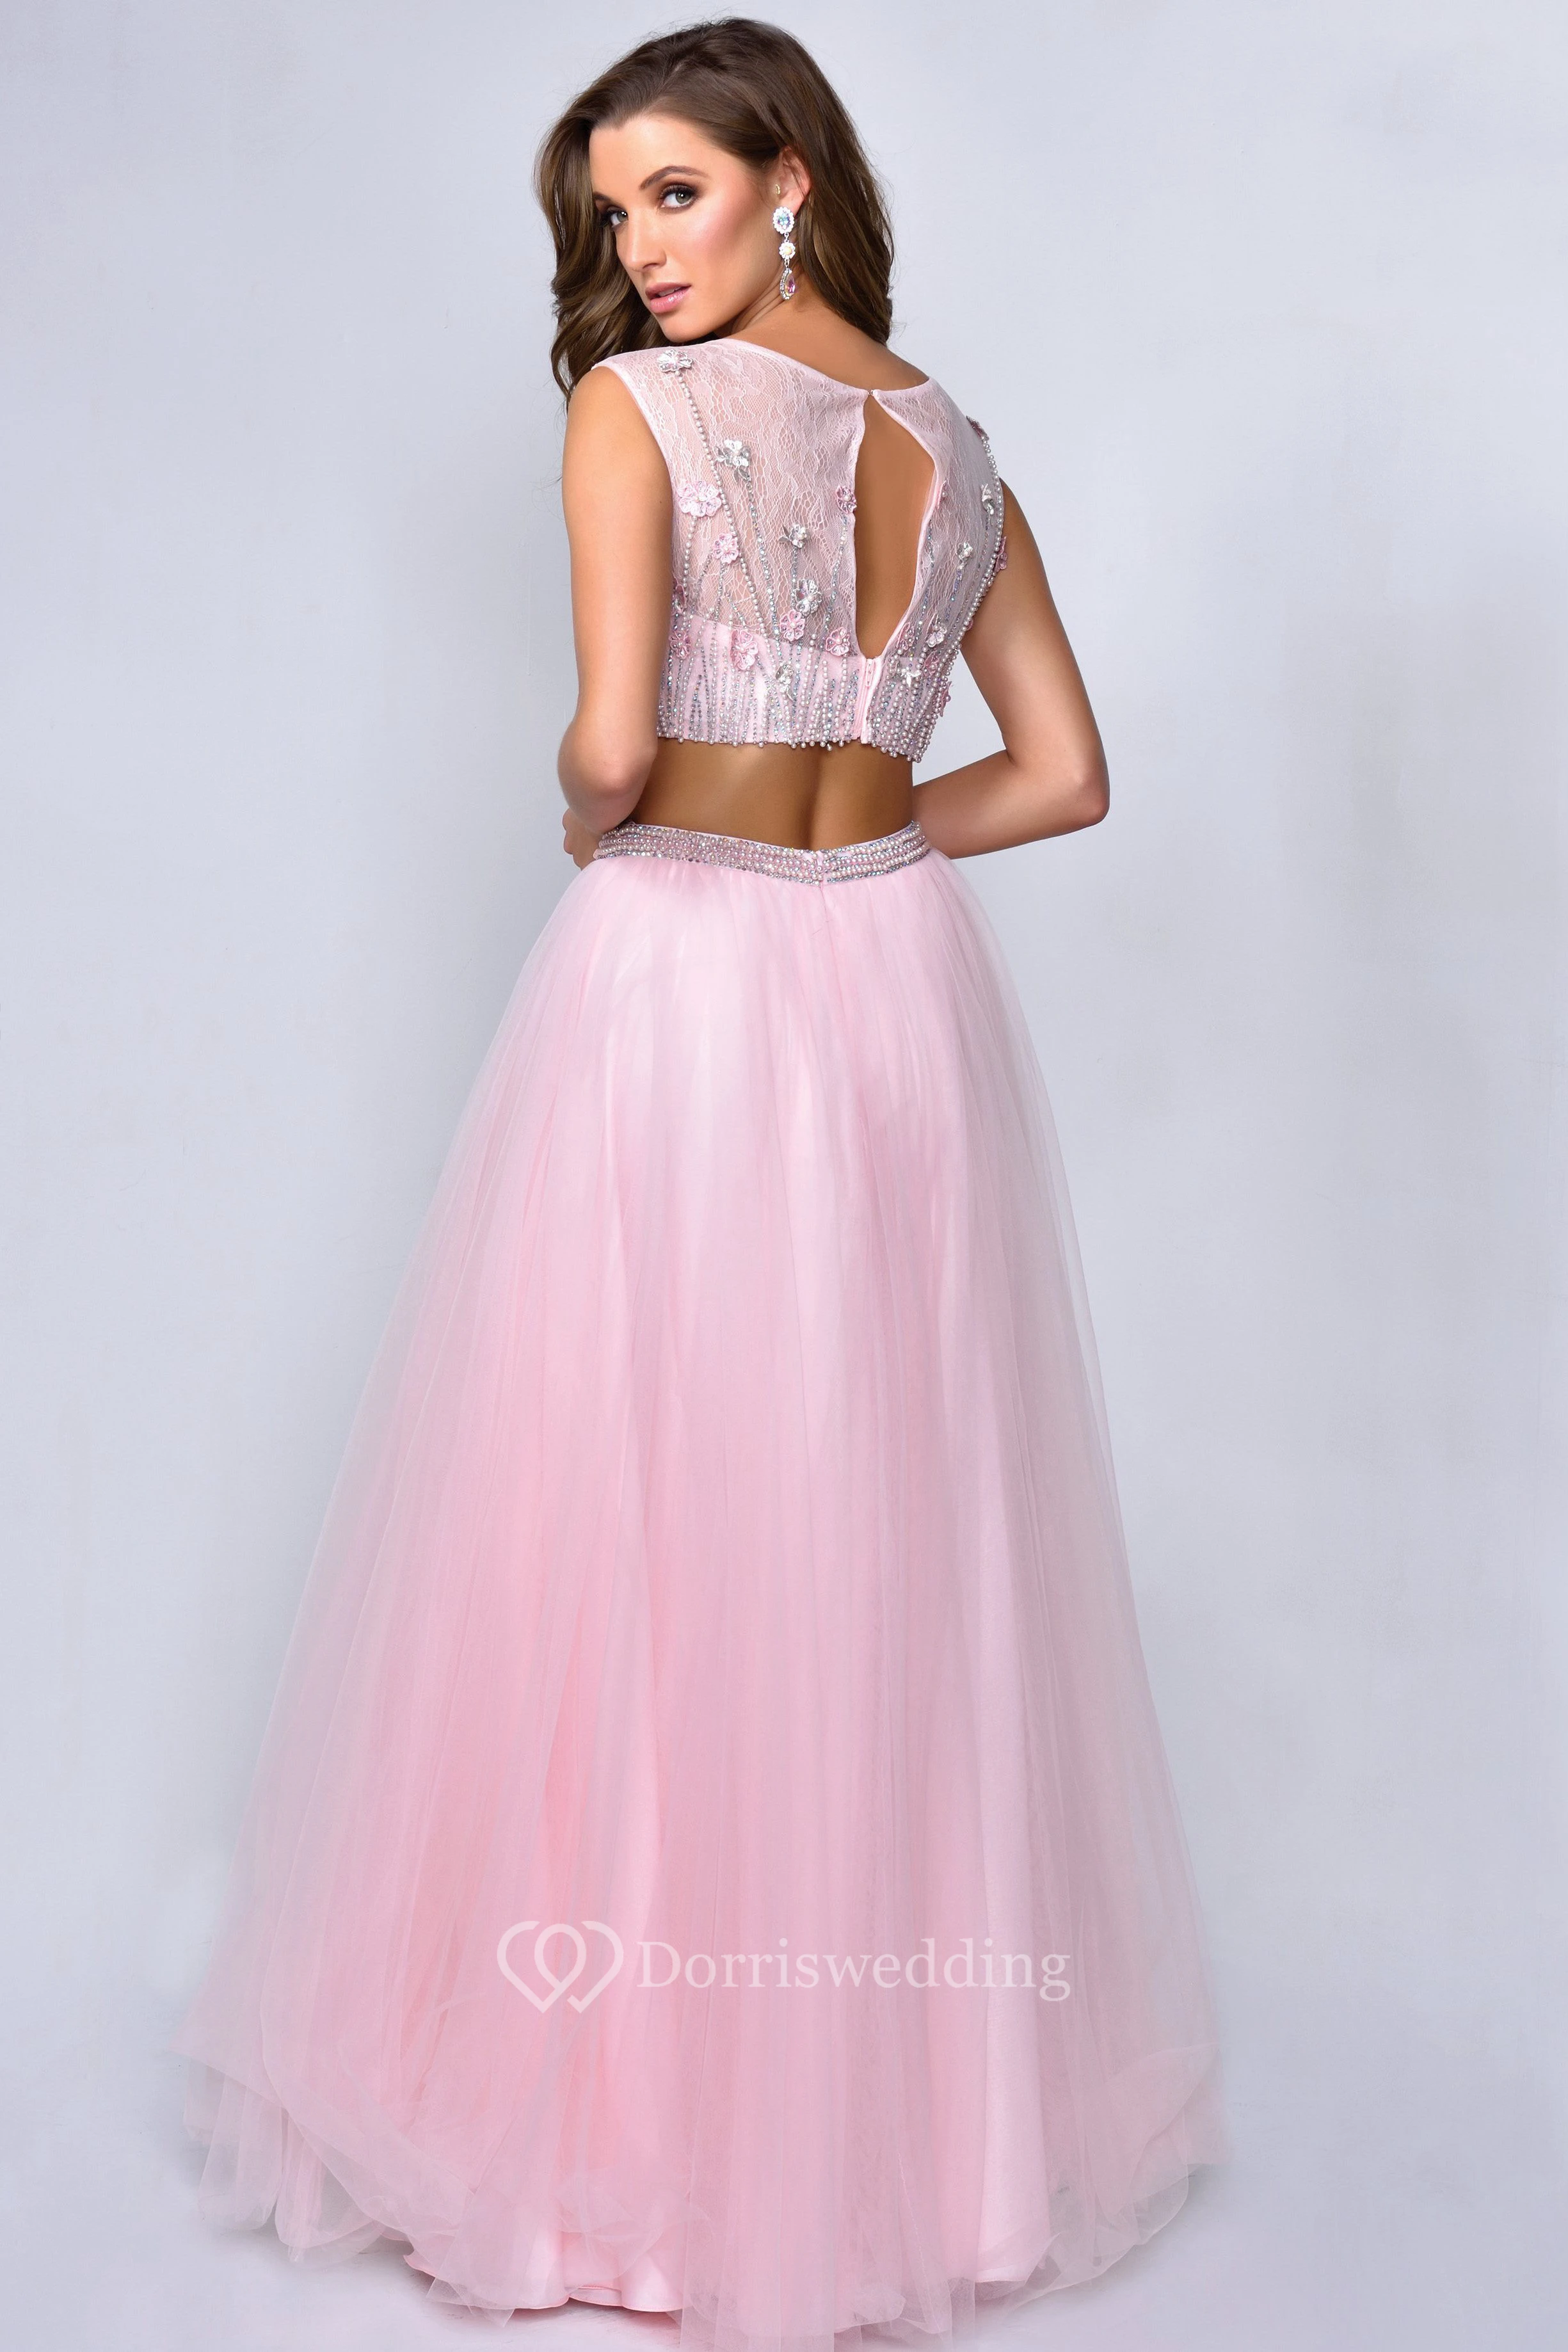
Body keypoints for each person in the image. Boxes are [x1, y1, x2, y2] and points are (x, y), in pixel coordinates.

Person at [170, 20, 1229, 2351]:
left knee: (635, 1503)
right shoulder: (958, 450)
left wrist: (596, 812)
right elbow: (1062, 775)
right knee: (878, 1518)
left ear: (791, 183)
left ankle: (628, 2146)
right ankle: (915, 2149)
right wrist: (861, 831)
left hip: (682, 976)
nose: (639, 251)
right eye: (611, 212)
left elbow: (610, 738)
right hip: (897, 987)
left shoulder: (638, 415)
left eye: (674, 193)